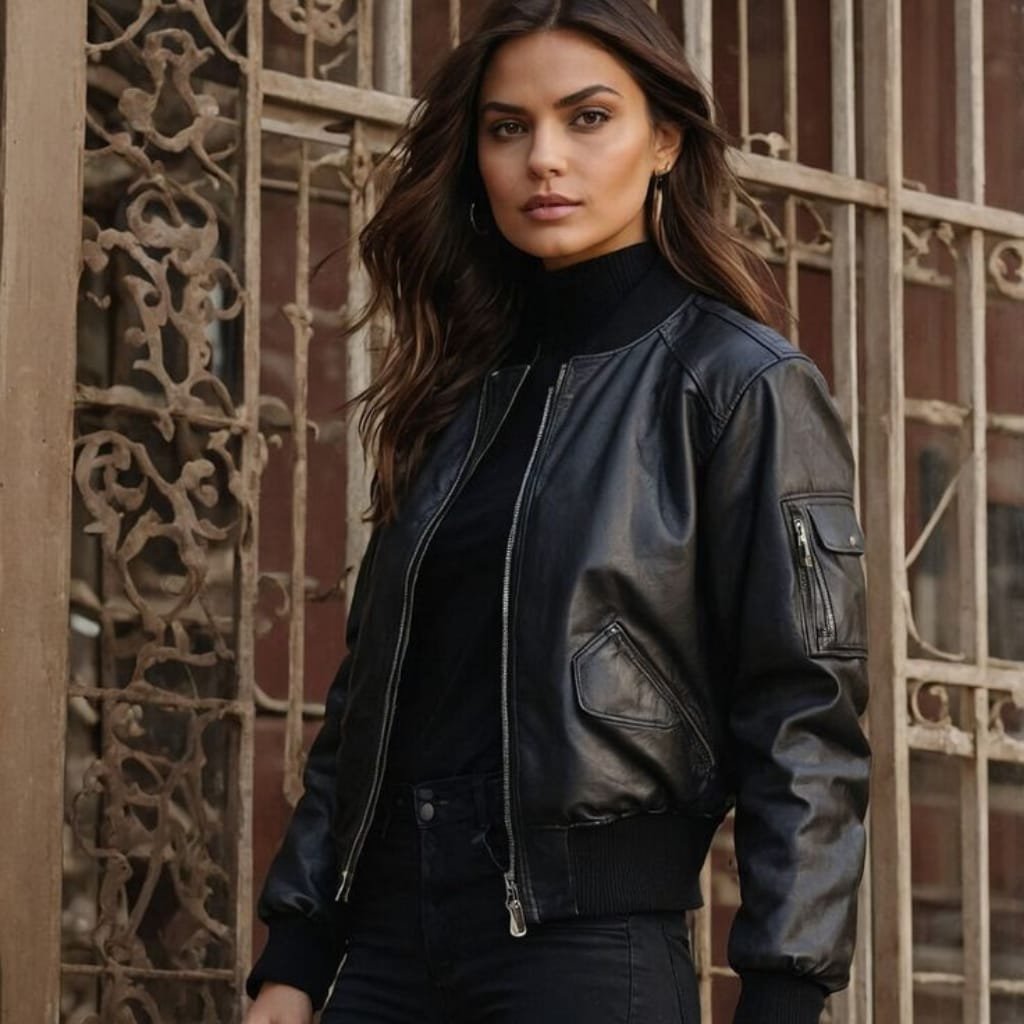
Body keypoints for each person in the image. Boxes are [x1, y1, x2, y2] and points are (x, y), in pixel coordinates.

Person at [244, 1, 870, 1022]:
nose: (544, 158)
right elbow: (374, 696)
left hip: (585, 954)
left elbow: (803, 711)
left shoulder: (738, 383)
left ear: (663, 140)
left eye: (586, 119)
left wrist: (783, 988)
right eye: (507, 127)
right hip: (390, 951)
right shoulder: (458, 389)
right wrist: (299, 948)